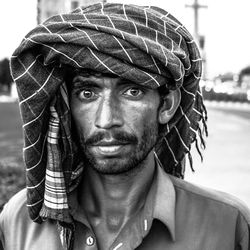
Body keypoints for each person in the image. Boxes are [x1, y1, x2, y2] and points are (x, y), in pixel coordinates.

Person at [0, 2, 250, 250]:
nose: (106, 120)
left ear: (166, 105)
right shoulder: (18, 222)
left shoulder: (228, 226)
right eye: (88, 93)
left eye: (132, 91)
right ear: (67, 106)